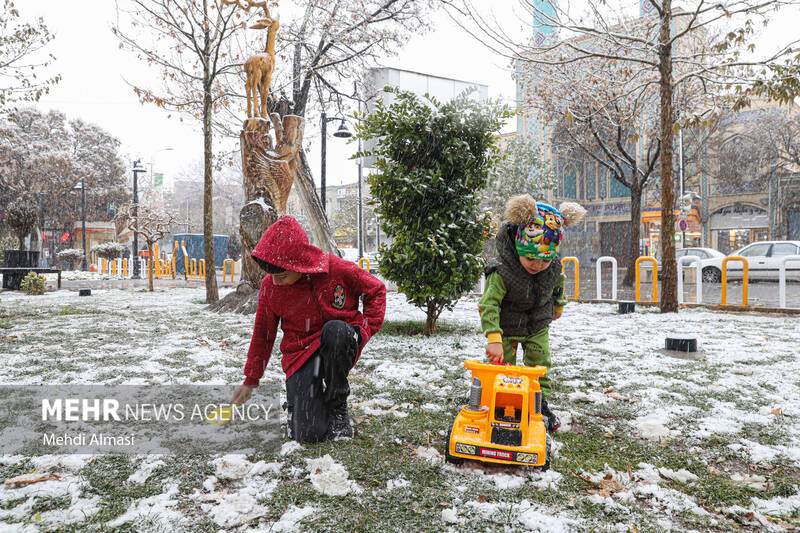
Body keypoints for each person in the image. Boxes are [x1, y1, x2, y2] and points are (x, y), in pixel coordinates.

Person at [232, 215, 386, 442]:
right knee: (308, 434)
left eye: (282, 275)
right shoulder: (270, 287)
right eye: (271, 276)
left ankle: (337, 405)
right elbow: (263, 335)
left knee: (336, 331)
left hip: (338, 342)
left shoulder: (337, 269)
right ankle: (304, 404)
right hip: (301, 354)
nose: (275, 282)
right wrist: (251, 379)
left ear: (299, 264)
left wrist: (364, 330)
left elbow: (376, 290)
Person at [478, 195, 585, 433]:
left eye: (544, 260)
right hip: (505, 326)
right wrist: (493, 338)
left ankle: (538, 404)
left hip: (537, 324)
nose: (537, 265)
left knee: (540, 365)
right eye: (530, 258)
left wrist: (558, 305)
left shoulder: (552, 267)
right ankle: (500, 403)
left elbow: (558, 284)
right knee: (501, 368)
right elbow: (489, 304)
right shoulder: (502, 272)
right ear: (518, 248)